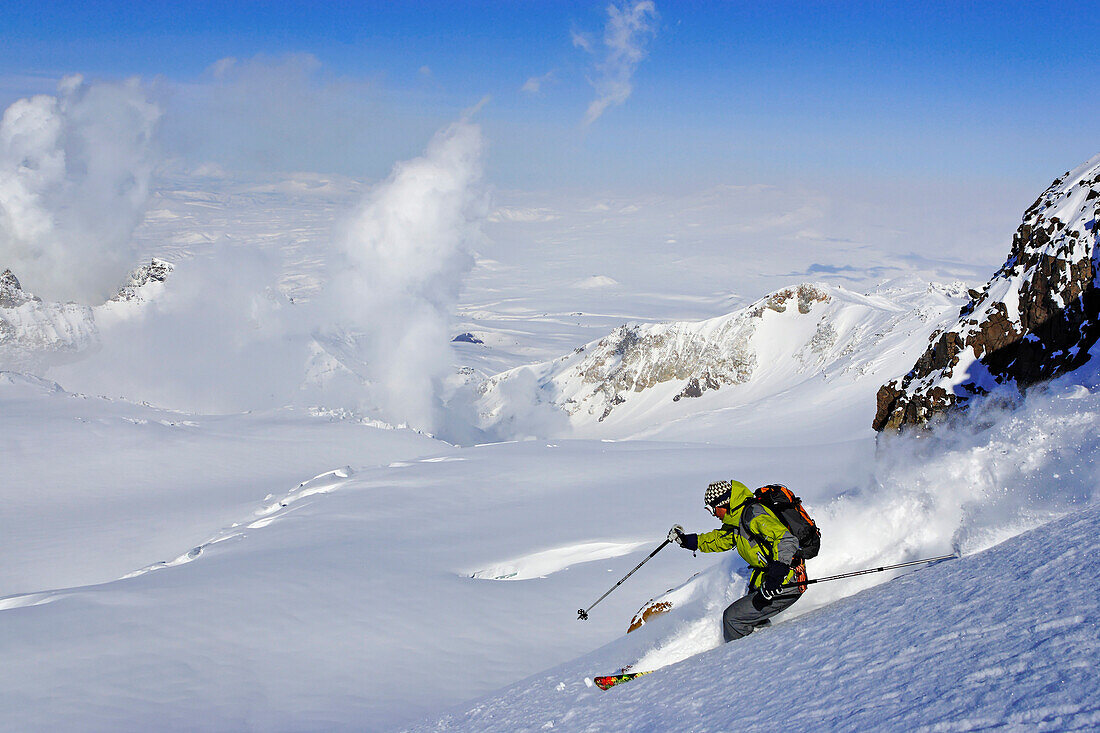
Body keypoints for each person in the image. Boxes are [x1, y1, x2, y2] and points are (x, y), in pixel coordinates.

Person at [668, 479, 807, 642]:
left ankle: (739, 663)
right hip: (768, 580)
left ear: (722, 503)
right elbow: (721, 539)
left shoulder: (753, 514)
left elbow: (786, 540)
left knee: (733, 618)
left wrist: (776, 577)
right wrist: (688, 541)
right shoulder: (738, 519)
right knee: (752, 618)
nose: (712, 514)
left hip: (786, 581)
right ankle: (765, 648)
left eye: (711, 509)